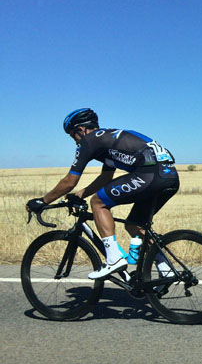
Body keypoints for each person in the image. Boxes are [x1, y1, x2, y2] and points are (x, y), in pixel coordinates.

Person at [26, 108, 180, 279]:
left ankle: (114, 258)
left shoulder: (89, 141)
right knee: (134, 224)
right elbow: (106, 177)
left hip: (150, 174)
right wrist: (80, 194)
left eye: (73, 136)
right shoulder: (107, 141)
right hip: (169, 176)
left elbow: (69, 181)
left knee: (98, 202)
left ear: (81, 129)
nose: (75, 141)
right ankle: (165, 269)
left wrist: (43, 201)